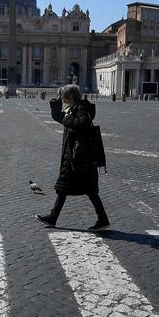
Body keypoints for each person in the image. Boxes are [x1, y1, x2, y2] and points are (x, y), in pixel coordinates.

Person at [37, 84, 110, 231]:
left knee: (79, 189)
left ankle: (101, 219)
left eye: (63, 98)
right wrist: (56, 102)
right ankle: (54, 217)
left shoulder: (81, 108)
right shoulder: (74, 108)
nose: (62, 101)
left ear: (70, 97)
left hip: (79, 158)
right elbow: (59, 116)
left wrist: (67, 119)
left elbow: (82, 124)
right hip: (74, 157)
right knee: (66, 188)